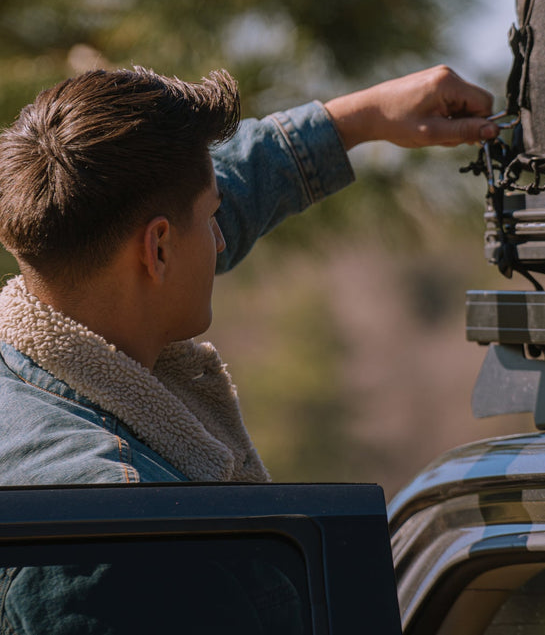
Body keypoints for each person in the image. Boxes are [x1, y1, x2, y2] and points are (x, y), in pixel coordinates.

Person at [0, 64, 498, 486]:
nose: (220, 240)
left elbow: (185, 206)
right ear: (157, 249)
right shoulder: (115, 507)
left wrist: (360, 119)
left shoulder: (61, 293)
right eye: (212, 217)